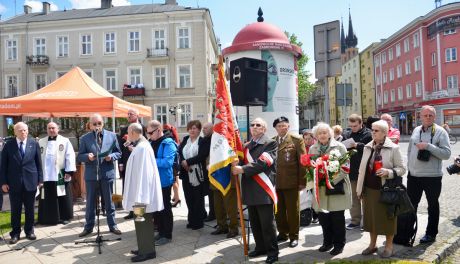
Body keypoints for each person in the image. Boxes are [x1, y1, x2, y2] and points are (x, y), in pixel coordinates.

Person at [231, 117, 279, 264]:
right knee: (255, 222)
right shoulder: (246, 146)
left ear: (264, 129)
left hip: (263, 189)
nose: (255, 127)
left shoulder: (270, 143)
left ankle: (272, 252)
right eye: (252, 125)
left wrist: (242, 169)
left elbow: (264, 163)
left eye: (258, 125)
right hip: (250, 188)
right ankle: (260, 247)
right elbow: (240, 162)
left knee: (267, 223)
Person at [357, 120, 406, 258]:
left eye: (376, 130)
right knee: (371, 219)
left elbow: (402, 169)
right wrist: (360, 189)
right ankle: (372, 245)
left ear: (385, 133)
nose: (373, 132)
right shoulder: (368, 146)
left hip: (386, 189)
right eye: (372, 129)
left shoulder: (393, 148)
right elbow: (363, 169)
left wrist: (388, 172)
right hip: (369, 189)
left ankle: (389, 246)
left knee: (388, 219)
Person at [407, 105, 451, 243]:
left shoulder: (440, 132)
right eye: (425, 115)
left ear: (434, 116)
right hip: (413, 176)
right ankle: (407, 232)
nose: (427, 117)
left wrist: (428, 146)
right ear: (420, 117)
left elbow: (446, 154)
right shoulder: (415, 130)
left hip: (432, 177)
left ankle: (431, 233)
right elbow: (409, 151)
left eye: (430, 115)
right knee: (411, 205)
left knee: (432, 205)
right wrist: (410, 167)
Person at [308, 122, 352, 256]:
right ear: (316, 135)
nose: (322, 135)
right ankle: (327, 242)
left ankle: (339, 244)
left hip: (336, 187)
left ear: (330, 134)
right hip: (320, 190)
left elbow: (346, 167)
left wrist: (329, 180)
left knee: (337, 218)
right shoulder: (313, 149)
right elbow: (309, 167)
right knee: (324, 219)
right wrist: (314, 179)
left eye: (324, 132)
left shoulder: (339, 147)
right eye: (319, 133)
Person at [123, 123, 163, 262]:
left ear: (133, 132)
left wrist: (141, 196)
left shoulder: (142, 148)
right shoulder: (141, 146)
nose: (127, 135)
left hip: (141, 196)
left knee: (143, 221)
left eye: (128, 132)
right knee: (139, 221)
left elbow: (144, 174)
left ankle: (147, 251)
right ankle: (143, 247)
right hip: (139, 195)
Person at [77, 114, 122, 237]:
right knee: (90, 202)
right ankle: (89, 227)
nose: (97, 126)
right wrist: (87, 157)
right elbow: (80, 156)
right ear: (90, 125)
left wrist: (111, 157)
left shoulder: (112, 136)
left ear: (103, 123)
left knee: (109, 201)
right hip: (92, 175)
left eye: (99, 123)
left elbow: (118, 153)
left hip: (107, 173)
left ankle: (112, 225)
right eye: (94, 124)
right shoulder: (85, 138)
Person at [0, 122, 43, 244]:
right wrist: (3, 182)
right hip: (14, 184)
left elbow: (38, 163)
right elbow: (3, 166)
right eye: (20, 130)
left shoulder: (33, 144)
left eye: (25, 130)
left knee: (30, 209)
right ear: (15, 132)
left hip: (31, 182)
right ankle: (15, 233)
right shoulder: (9, 145)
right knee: (15, 210)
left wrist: (40, 179)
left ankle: (29, 231)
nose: (23, 132)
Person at [272, 116, 306, 248]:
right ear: (275, 128)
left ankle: (294, 236)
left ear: (288, 126)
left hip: (291, 182)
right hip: (276, 183)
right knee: (278, 211)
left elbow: (303, 161)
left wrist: (302, 181)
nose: (281, 128)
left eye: (284, 125)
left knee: (292, 211)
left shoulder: (297, 140)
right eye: (279, 126)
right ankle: (282, 233)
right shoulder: (272, 141)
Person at [38, 122, 76, 225]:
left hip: (59, 173)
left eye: (53, 128)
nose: (51, 130)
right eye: (49, 128)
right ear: (46, 129)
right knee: (45, 196)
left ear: (58, 129)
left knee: (62, 195)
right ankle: (45, 218)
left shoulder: (65, 141)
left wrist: (69, 171)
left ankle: (64, 217)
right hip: (46, 175)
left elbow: (70, 156)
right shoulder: (41, 141)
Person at [342, 114, 372, 230]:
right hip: (351, 170)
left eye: (355, 126)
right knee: (353, 197)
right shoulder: (347, 134)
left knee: (365, 197)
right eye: (351, 126)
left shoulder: (368, 134)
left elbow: (371, 148)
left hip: (364, 171)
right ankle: (355, 221)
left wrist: (357, 145)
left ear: (361, 123)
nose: (353, 128)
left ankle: (366, 222)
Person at [148, 120, 176, 246]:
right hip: (153, 181)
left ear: (158, 130)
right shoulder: (150, 142)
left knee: (165, 207)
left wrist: (151, 160)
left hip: (164, 181)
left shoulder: (168, 143)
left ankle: (167, 235)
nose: (148, 135)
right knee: (156, 209)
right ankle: (160, 232)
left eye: (150, 132)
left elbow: (167, 163)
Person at [178, 120, 208, 230]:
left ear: (199, 130)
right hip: (186, 173)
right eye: (190, 128)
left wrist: (188, 162)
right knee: (188, 197)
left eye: (194, 128)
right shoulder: (186, 139)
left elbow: (202, 155)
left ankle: (198, 222)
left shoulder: (202, 141)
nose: (192, 130)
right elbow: (179, 152)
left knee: (198, 199)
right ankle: (191, 220)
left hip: (198, 173)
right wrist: (183, 162)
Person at [118, 108, 146, 220]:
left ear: (137, 115)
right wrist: (120, 163)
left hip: (139, 163)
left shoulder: (143, 128)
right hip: (127, 161)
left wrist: (134, 148)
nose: (128, 115)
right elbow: (120, 146)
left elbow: (145, 143)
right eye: (128, 114)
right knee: (128, 186)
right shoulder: (124, 129)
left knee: (138, 187)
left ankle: (140, 212)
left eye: (131, 114)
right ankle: (131, 211)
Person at [163, 124, 181, 207]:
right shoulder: (173, 135)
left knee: (173, 181)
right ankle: (176, 197)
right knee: (175, 180)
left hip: (172, 163)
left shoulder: (167, 135)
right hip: (175, 163)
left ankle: (177, 199)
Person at [202, 122, 215, 222]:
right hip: (205, 170)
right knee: (209, 193)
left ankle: (213, 214)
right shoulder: (204, 139)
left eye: (205, 128)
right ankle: (212, 213)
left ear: (212, 129)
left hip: (214, 169)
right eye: (203, 128)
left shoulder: (214, 139)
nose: (203, 129)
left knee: (213, 194)